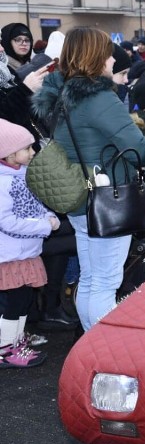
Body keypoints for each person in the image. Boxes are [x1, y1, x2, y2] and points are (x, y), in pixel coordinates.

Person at [30, 27, 145, 332]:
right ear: (95, 57)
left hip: (82, 198)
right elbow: (139, 147)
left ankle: (89, 342)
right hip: (109, 199)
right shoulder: (99, 99)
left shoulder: (62, 93)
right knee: (105, 282)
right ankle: (105, 350)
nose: (112, 58)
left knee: (90, 277)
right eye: (107, 52)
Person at [0, 120, 59, 368]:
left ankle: (16, 340)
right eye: (27, 149)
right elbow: (7, 221)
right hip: (10, 255)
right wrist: (44, 225)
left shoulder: (24, 175)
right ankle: (5, 348)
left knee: (23, 299)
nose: (32, 152)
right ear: (9, 153)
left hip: (26, 252)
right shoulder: (3, 183)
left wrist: (50, 215)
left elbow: (37, 205)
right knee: (12, 303)